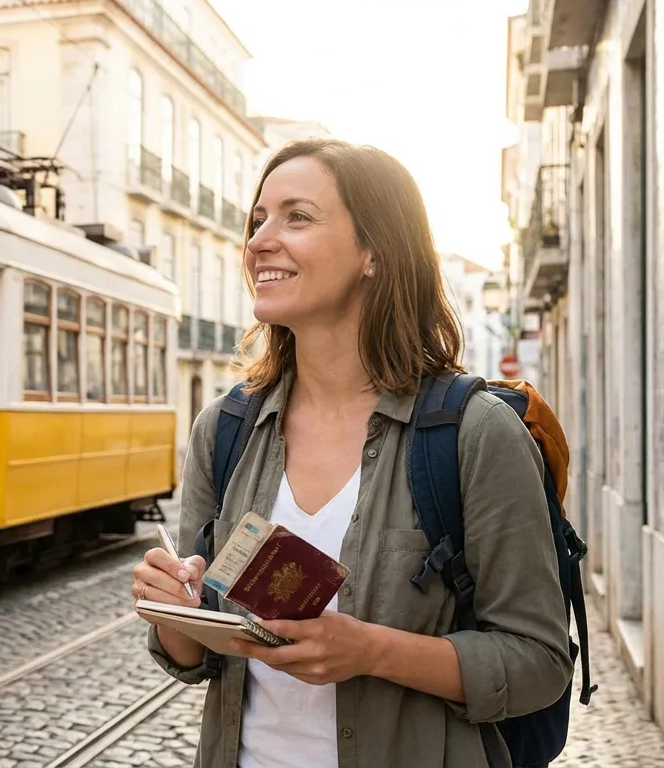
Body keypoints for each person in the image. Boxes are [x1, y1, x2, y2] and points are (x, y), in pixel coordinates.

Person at [132, 139, 573, 768]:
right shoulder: (225, 429)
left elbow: (539, 662)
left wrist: (369, 651)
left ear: (374, 252)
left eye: (297, 217)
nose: (259, 241)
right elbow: (197, 655)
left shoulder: (475, 434)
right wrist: (175, 612)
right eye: (258, 219)